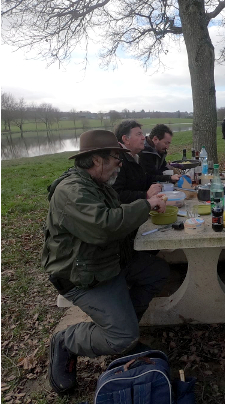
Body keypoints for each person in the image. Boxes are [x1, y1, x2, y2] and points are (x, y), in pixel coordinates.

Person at [44, 130, 169, 394]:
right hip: (82, 275)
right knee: (122, 337)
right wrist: (145, 205)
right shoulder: (72, 190)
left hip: (108, 263)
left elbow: (116, 218)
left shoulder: (98, 183)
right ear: (96, 160)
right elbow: (104, 226)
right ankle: (66, 341)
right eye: (116, 158)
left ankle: (125, 330)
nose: (120, 163)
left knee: (156, 272)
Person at [112, 120, 178, 204]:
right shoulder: (117, 160)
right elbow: (116, 195)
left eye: (142, 134)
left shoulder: (135, 157)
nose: (143, 137)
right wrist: (145, 195)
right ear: (126, 139)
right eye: (139, 134)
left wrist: (168, 179)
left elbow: (145, 179)